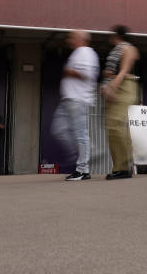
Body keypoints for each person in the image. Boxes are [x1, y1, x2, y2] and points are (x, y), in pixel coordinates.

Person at [51, 30, 99, 182]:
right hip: (68, 100)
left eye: (72, 36)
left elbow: (88, 75)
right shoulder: (78, 53)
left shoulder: (86, 52)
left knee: (80, 134)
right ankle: (82, 154)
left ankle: (82, 170)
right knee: (58, 130)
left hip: (78, 99)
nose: (69, 39)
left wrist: (69, 72)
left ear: (81, 39)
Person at [101, 26, 139, 180]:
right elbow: (113, 70)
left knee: (116, 125)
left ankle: (123, 166)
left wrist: (114, 83)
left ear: (117, 35)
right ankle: (120, 166)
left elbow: (124, 69)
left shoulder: (128, 48)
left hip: (124, 85)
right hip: (117, 84)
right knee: (112, 126)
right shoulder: (117, 49)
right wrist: (108, 82)